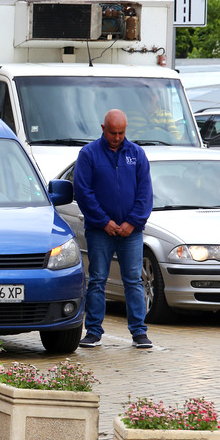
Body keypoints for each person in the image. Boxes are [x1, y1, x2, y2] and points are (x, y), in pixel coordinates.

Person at [73, 109, 154, 349]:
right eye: (112, 132)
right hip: (100, 231)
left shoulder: (137, 154)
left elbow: (145, 193)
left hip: (132, 232)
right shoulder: (88, 154)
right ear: (103, 128)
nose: (117, 137)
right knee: (97, 279)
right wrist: (103, 221)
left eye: (121, 132)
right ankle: (94, 331)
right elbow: (83, 192)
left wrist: (133, 222)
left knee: (133, 281)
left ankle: (139, 332)